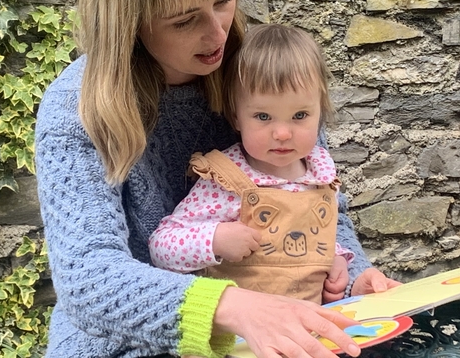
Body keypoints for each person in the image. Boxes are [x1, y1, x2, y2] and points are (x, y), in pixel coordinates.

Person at [34, 0, 400, 357]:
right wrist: (232, 307)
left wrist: (354, 278)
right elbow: (88, 279)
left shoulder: (263, 74)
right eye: (184, 20)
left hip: (268, 335)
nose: (218, 33)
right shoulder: (76, 107)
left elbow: (319, 204)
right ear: (127, 21)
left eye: (223, 0)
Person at [149, 24, 355, 305]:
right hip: (241, 340)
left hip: (309, 331)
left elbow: (313, 236)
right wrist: (214, 240)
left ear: (319, 112)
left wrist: (337, 259)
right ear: (236, 118)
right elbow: (161, 246)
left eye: (299, 115)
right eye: (263, 116)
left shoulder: (320, 174)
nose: (282, 133)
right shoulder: (225, 181)